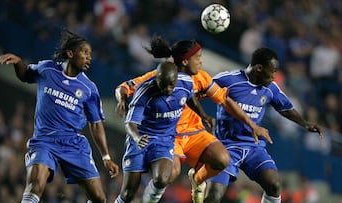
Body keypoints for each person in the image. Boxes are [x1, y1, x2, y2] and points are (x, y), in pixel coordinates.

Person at [115, 36, 271, 203]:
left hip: (195, 133)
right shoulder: (159, 77)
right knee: (170, 173)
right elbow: (124, 87)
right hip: (170, 136)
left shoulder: (201, 78)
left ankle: (197, 180)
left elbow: (224, 100)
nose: (201, 61)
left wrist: (251, 124)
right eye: (198, 58)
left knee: (223, 159)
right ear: (185, 61)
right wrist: (122, 99)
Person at [0, 30, 119, 203]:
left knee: (99, 198)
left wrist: (106, 157)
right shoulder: (47, 69)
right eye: (84, 52)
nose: (89, 57)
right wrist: (18, 63)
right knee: (35, 184)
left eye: (90, 54)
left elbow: (96, 124)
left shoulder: (89, 88)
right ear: (70, 53)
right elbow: (25, 75)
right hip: (44, 141)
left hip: (73, 144)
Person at [204, 47, 323, 203]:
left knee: (274, 184)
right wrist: (201, 115)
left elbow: (285, 108)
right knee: (214, 195)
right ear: (259, 68)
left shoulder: (270, 88)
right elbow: (200, 90)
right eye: (272, 71)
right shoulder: (228, 80)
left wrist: (305, 124)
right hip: (226, 146)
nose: (274, 77)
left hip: (254, 147)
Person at [114, 61, 205, 203]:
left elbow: (191, 98)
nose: (168, 89)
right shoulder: (144, 91)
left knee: (162, 178)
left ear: (176, 78)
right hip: (140, 139)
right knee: (128, 194)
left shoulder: (186, 83)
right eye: (164, 84)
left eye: (171, 84)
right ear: (157, 79)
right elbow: (130, 123)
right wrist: (137, 138)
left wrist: (203, 116)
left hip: (164, 140)